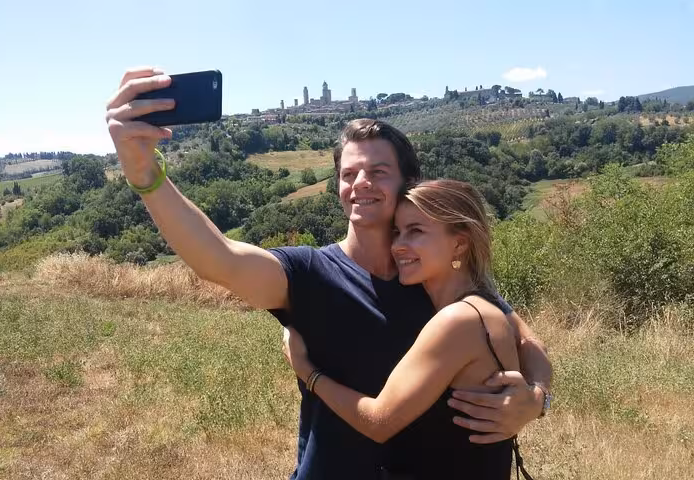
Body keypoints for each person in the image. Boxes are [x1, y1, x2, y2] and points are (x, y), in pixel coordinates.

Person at [105, 67, 552, 480]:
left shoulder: (433, 276)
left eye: (378, 171)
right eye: (349, 172)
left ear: (407, 182)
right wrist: (146, 173)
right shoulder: (312, 273)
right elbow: (218, 259)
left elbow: (523, 339)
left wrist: (535, 399)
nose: (360, 183)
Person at [283, 179, 531, 479]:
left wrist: (309, 373)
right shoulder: (485, 309)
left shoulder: (458, 321)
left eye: (416, 231)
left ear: (459, 243)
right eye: (397, 232)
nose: (398, 245)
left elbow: (379, 422)